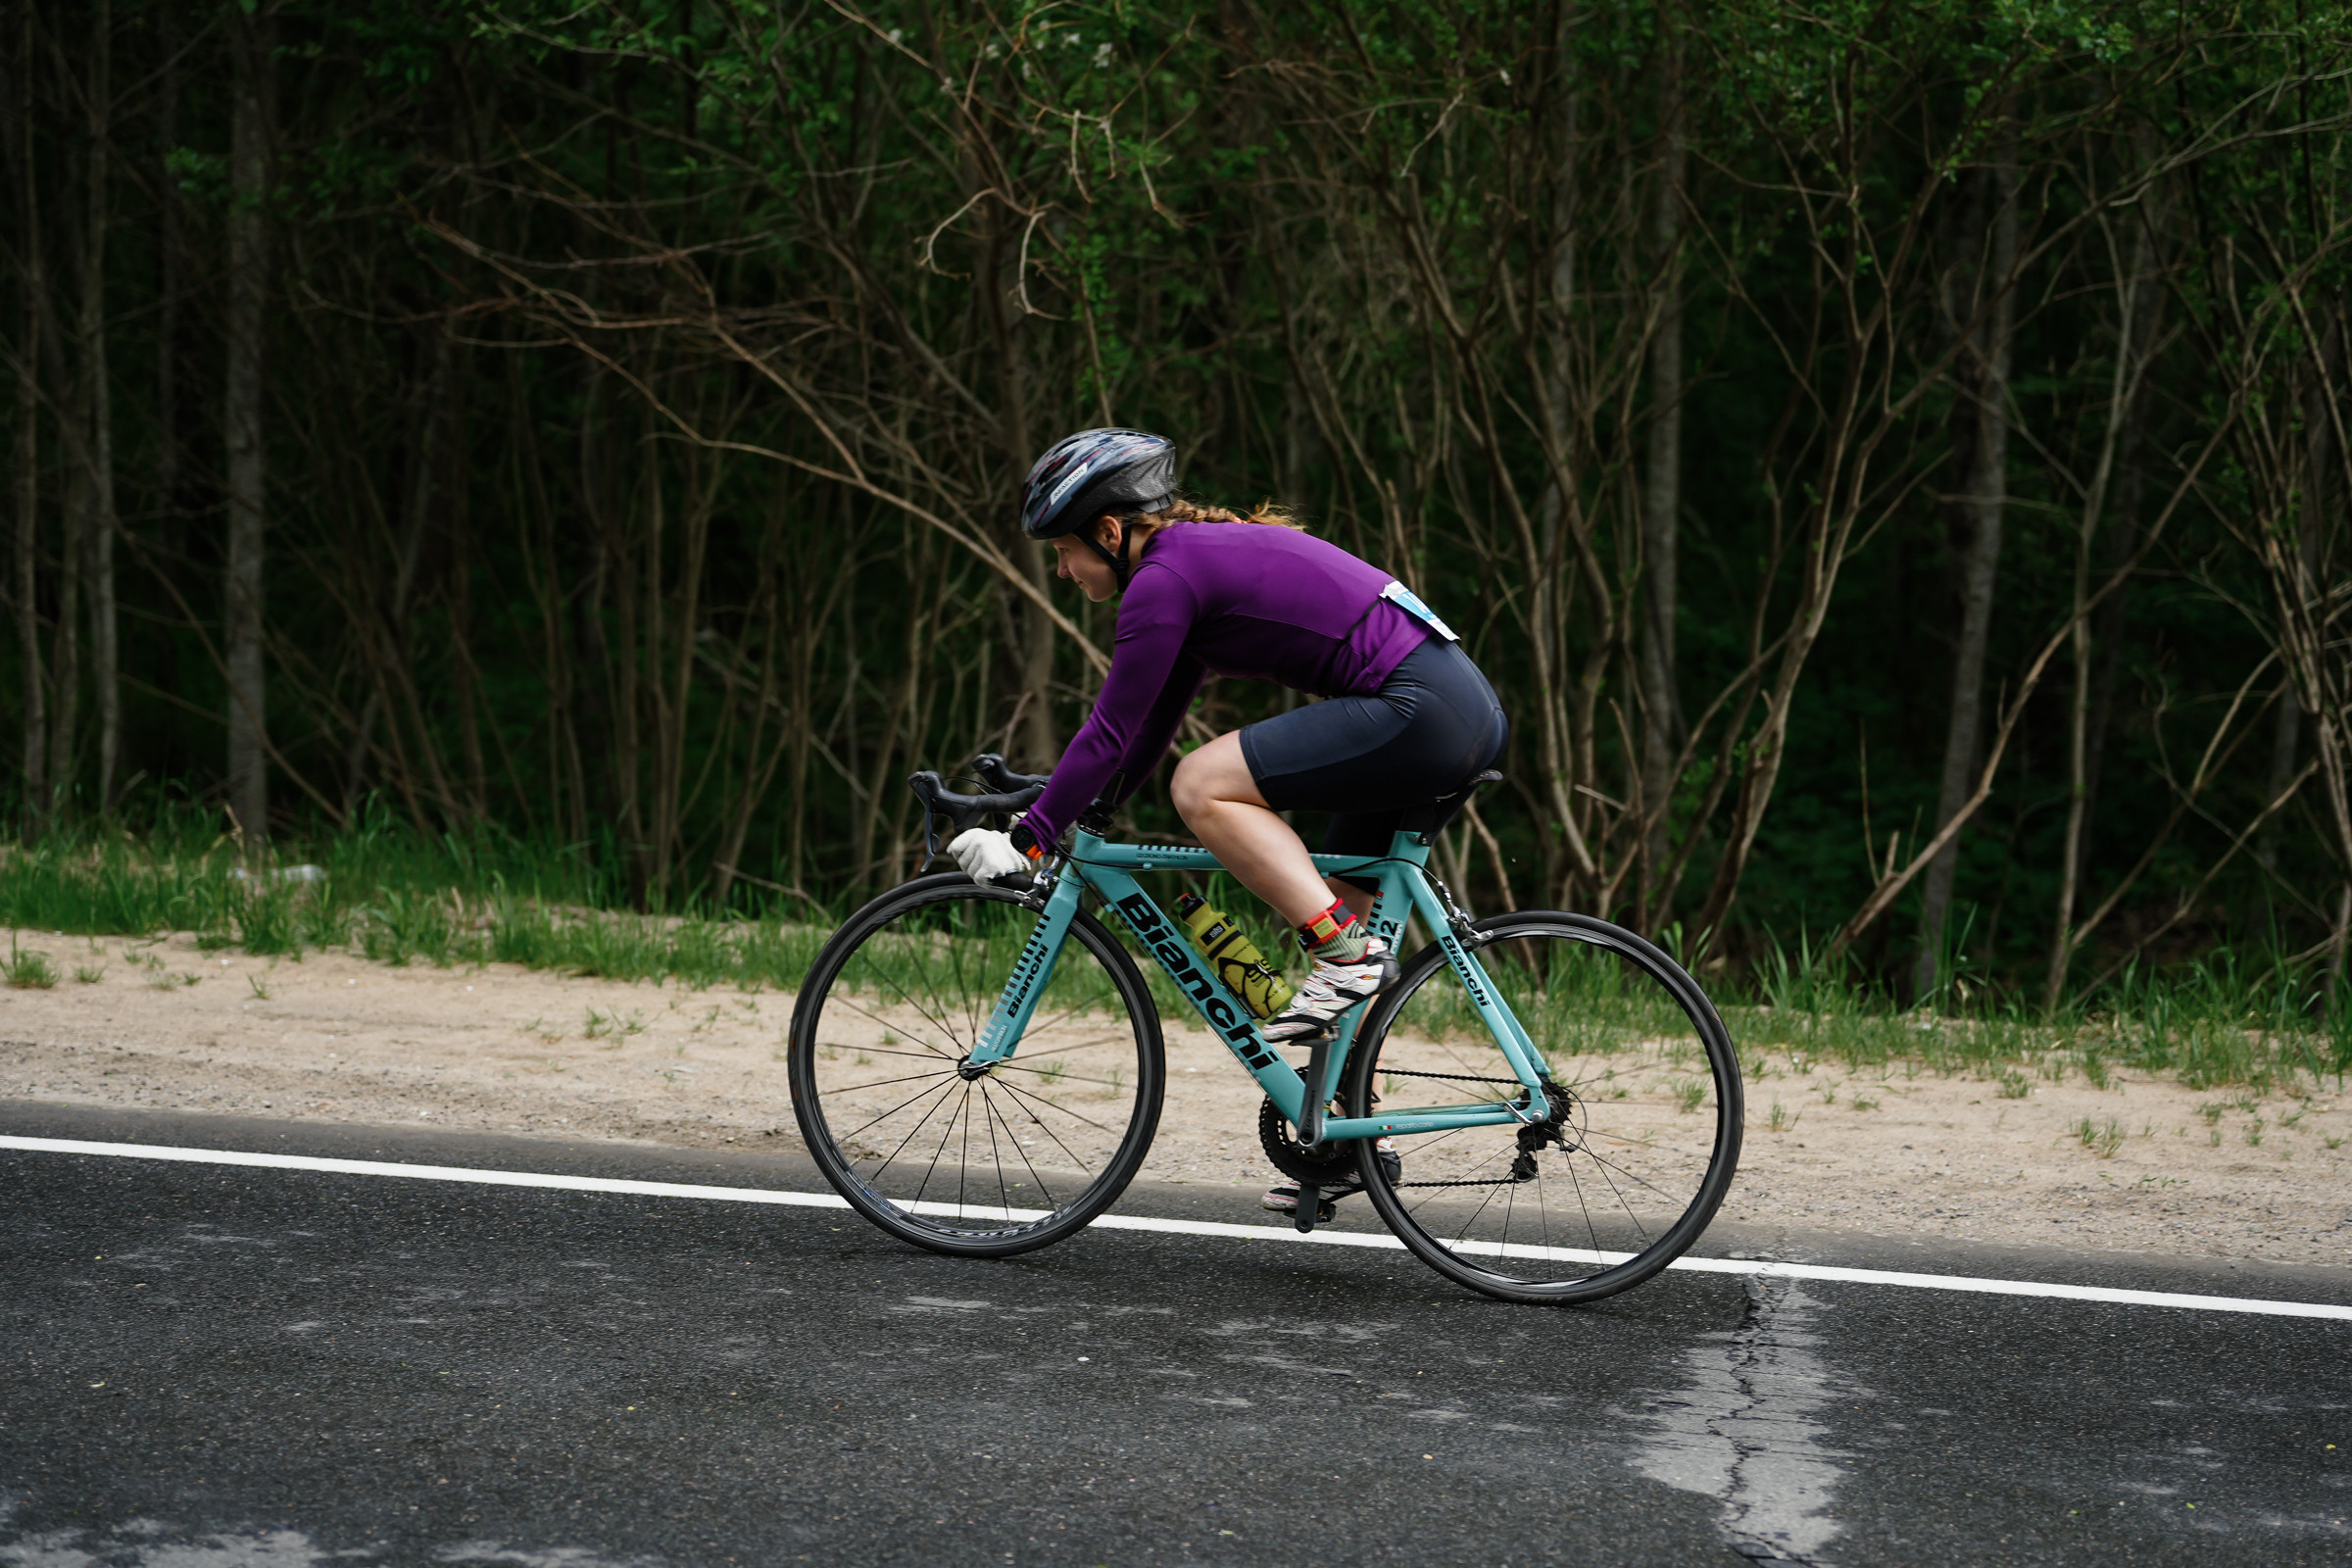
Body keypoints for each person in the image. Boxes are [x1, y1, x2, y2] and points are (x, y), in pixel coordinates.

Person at [948, 427, 1508, 1214]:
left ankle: (1342, 957)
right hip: (1450, 706)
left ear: (1110, 533)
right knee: (1338, 893)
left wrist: (1031, 838)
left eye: (1065, 551)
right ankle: (1350, 1133)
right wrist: (1077, 807)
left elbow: (1109, 730)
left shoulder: (1163, 579)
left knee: (1204, 785)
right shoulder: (1188, 565)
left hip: (1422, 709)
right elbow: (1143, 728)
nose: (1065, 571)